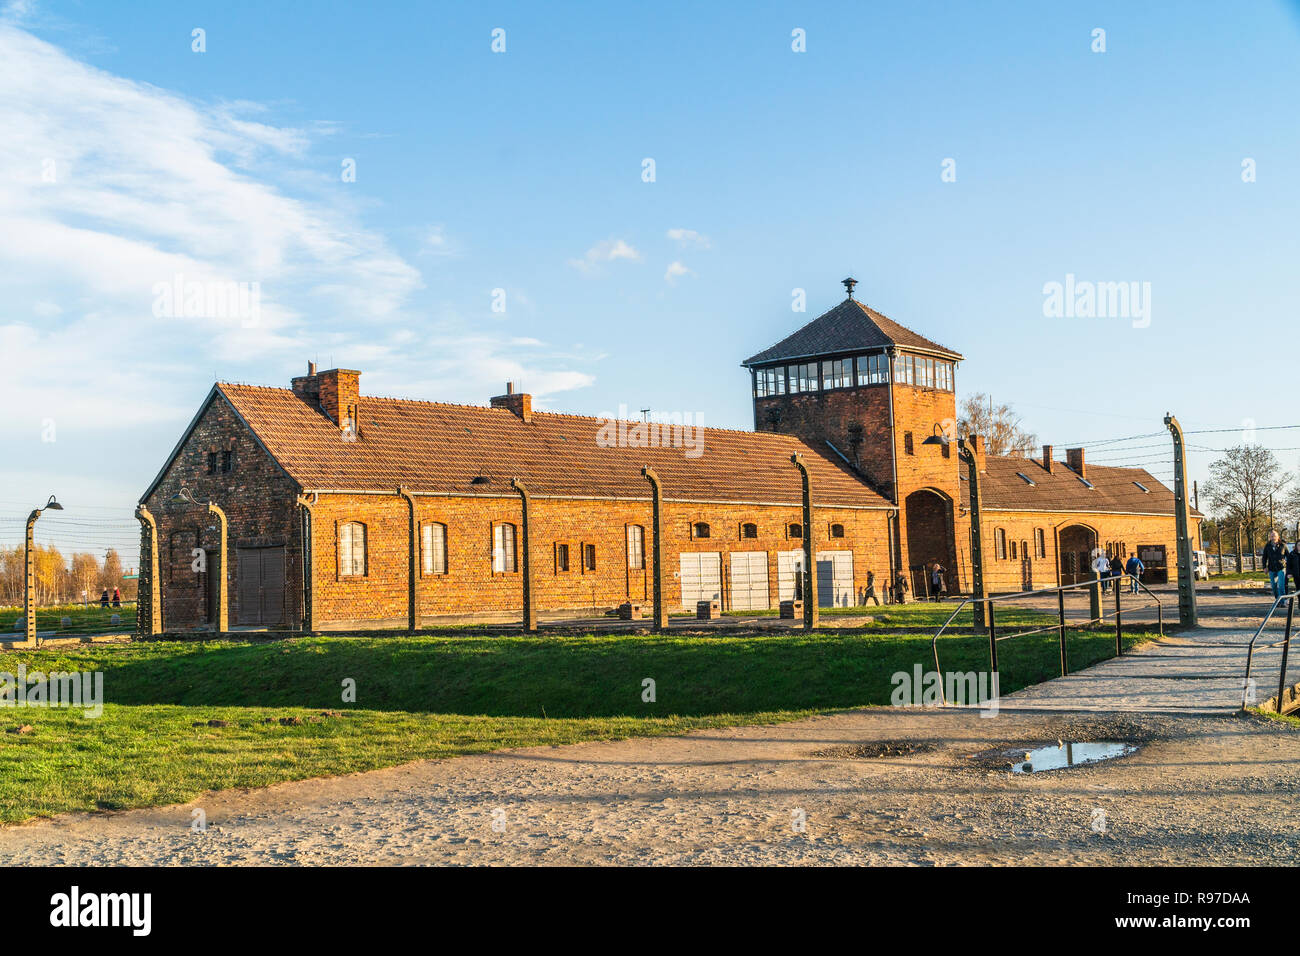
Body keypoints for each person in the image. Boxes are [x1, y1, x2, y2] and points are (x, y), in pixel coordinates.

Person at [1263, 530, 1287, 599]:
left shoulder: (1283, 545)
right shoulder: (1267, 546)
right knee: (1274, 586)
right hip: (1271, 568)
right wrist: (1264, 567)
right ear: (1270, 537)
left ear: (1278, 537)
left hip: (1281, 568)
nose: (1273, 537)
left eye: (1274, 536)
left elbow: (1288, 555)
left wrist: (1287, 564)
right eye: (1271, 536)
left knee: (1281, 585)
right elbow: (1264, 557)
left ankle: (1282, 601)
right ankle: (1277, 600)